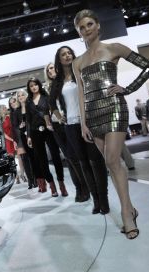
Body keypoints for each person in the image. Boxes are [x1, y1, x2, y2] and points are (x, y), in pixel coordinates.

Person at [73, 9, 149, 239]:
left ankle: (127, 214)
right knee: (112, 164)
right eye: (82, 27)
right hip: (93, 116)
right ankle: (130, 208)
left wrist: (127, 89)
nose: (86, 29)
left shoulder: (114, 48)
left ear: (98, 25)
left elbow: (148, 66)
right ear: (79, 32)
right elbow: (81, 93)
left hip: (114, 108)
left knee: (112, 159)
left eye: (89, 24)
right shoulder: (78, 62)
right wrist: (83, 123)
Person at [48, 46, 108, 211]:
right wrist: (60, 117)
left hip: (89, 122)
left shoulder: (81, 72)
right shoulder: (58, 81)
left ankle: (104, 199)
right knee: (84, 163)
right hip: (71, 126)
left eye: (69, 53)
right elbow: (51, 103)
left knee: (96, 161)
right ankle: (96, 200)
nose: (67, 56)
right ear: (59, 60)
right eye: (63, 54)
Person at [45, 61, 88, 201]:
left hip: (70, 121)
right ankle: (78, 188)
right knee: (69, 158)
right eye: (48, 69)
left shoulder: (65, 82)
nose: (51, 70)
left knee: (76, 157)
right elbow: (49, 108)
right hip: (57, 125)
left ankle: (85, 187)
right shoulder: (48, 87)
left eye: (52, 67)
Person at [24, 78, 66, 196]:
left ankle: (61, 184)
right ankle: (52, 186)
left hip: (49, 129)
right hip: (35, 132)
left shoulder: (46, 97)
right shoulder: (28, 101)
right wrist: (28, 136)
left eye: (35, 85)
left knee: (56, 156)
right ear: (29, 88)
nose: (34, 87)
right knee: (42, 160)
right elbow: (27, 120)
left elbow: (53, 111)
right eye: (31, 86)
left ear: (39, 85)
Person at [9, 96, 36, 189]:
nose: (13, 104)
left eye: (14, 101)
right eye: (11, 103)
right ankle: (30, 181)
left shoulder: (22, 110)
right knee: (25, 160)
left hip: (26, 136)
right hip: (18, 138)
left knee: (31, 158)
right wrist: (15, 141)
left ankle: (35, 179)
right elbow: (13, 128)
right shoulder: (12, 114)